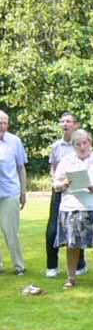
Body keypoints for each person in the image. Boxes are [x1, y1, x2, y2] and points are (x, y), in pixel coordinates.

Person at [53, 129, 93, 289]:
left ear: (90, 143)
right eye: (78, 144)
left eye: (85, 142)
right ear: (73, 146)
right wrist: (64, 184)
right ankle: (71, 278)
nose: (82, 146)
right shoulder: (66, 161)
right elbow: (56, 184)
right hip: (72, 207)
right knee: (72, 244)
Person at [45, 112, 88, 278]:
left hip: (77, 192)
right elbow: (53, 169)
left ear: (75, 125)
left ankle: (80, 265)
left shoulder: (81, 144)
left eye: (68, 121)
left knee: (78, 226)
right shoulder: (56, 147)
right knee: (52, 229)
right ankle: (52, 266)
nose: (65, 124)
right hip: (59, 191)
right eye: (62, 121)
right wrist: (58, 181)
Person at [0, 110, 27, 275]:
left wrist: (23, 191)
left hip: (10, 192)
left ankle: (19, 266)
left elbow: (21, 167)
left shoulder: (14, 141)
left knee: (11, 232)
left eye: (4, 122)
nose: (2, 126)